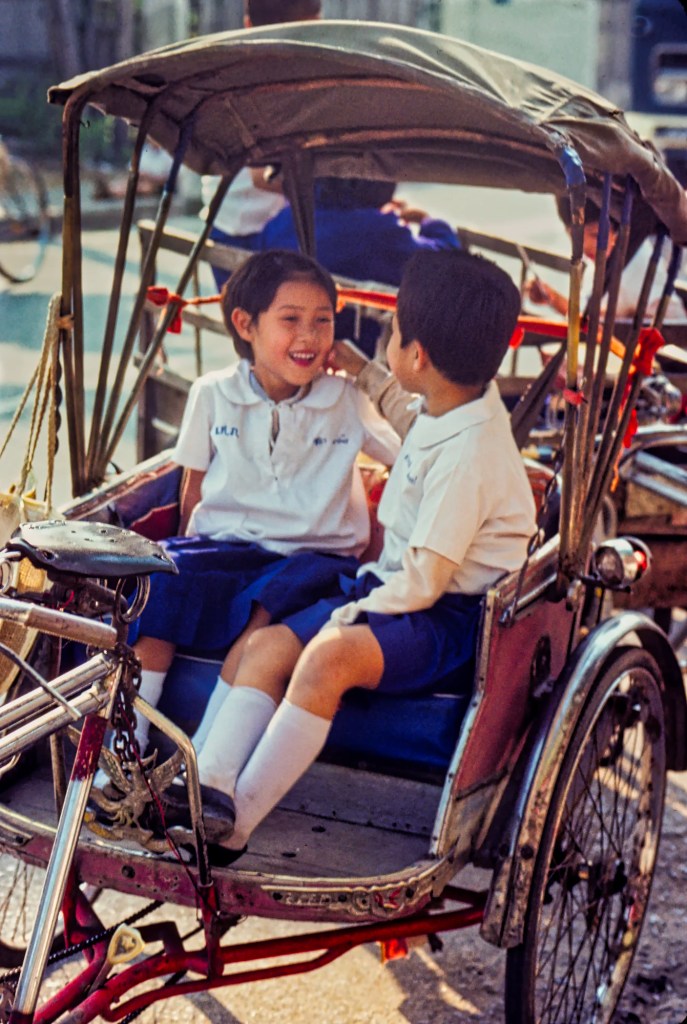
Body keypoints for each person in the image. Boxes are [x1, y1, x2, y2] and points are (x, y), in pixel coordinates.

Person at [163, 249, 537, 856]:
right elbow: (405, 411)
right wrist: (364, 370)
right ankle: (206, 784)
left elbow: (424, 581)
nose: (385, 345)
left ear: (416, 355)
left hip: (444, 614)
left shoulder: (470, 458)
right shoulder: (452, 405)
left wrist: (345, 614)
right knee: (266, 646)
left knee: (325, 658)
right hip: (393, 587)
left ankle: (236, 825)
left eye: (392, 334)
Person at [97, 250, 400, 785]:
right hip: (228, 545)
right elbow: (192, 490)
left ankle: (196, 766)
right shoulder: (213, 392)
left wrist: (363, 370)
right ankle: (123, 755)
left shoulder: (346, 398)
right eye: (291, 319)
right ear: (245, 324)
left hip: (314, 557)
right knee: (160, 585)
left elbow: (410, 453)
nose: (309, 336)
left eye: (322, 321)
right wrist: (186, 562)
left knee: (268, 606)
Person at [258, 176, 462, 355]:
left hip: (296, 343)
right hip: (361, 351)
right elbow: (443, 262)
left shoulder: (286, 220)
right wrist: (430, 223)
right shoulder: (381, 233)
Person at [200, 0, 322, 288]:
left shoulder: (238, 70)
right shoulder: (267, 80)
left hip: (235, 218)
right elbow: (263, 177)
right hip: (250, 229)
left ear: (248, 24)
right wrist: (336, 195)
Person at [526, 197, 684, 321]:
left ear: (616, 230)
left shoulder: (637, 262)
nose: (585, 246)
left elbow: (675, 322)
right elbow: (588, 318)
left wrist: (630, 320)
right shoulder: (599, 260)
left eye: (595, 235)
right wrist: (552, 298)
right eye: (576, 237)